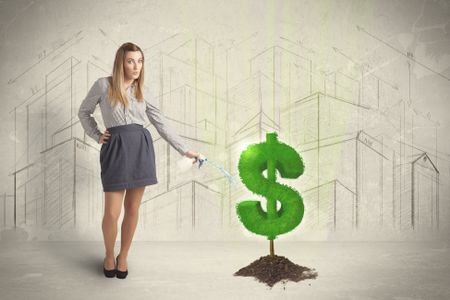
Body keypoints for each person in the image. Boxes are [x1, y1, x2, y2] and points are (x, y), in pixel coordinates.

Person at [77, 42, 202, 279]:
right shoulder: (103, 85)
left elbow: (160, 122)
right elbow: (84, 111)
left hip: (140, 150)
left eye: (140, 61)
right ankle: (108, 254)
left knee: (132, 208)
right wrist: (95, 134)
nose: (136, 66)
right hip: (115, 149)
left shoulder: (143, 89)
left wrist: (185, 150)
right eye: (131, 61)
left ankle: (123, 256)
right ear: (120, 62)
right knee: (112, 212)